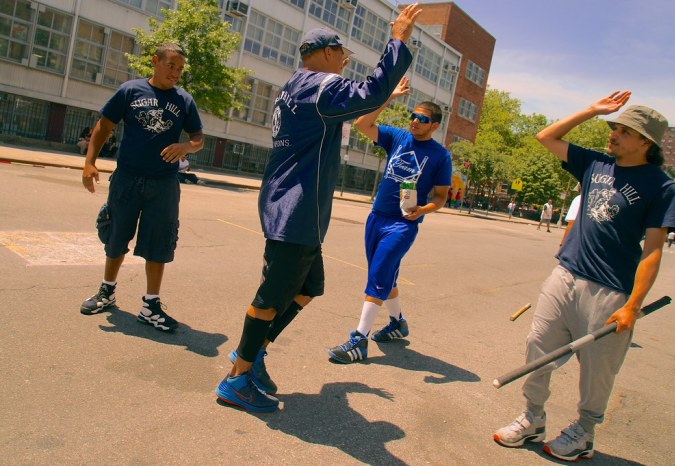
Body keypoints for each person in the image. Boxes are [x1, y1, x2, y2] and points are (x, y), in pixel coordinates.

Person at [214, 4, 423, 413]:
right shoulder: (320, 85)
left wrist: (386, 93)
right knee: (270, 297)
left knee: (309, 288)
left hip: (292, 206)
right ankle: (236, 377)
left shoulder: (299, 87)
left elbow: (360, 106)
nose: (345, 61)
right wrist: (398, 38)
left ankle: (253, 352)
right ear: (325, 52)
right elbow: (367, 92)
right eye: (342, 54)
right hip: (296, 210)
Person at [493, 91, 675, 461]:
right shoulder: (596, 164)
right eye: (614, 127)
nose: (613, 134)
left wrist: (633, 306)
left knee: (597, 370)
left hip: (610, 290)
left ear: (646, 142)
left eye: (624, 131)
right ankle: (533, 418)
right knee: (538, 347)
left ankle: (584, 432)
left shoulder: (662, 186)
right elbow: (546, 137)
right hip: (565, 274)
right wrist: (592, 111)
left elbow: (653, 250)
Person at [80, 43, 204, 332]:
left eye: (180, 69)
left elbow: (198, 137)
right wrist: (89, 162)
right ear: (155, 62)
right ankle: (107, 292)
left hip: (164, 183)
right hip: (127, 178)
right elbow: (104, 126)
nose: (175, 72)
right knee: (115, 235)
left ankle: (151, 305)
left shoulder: (184, 100)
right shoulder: (130, 91)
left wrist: (186, 146)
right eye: (171, 65)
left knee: (158, 242)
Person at [327, 86, 451, 364]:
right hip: (376, 217)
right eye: (413, 116)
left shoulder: (440, 156)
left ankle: (359, 340)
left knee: (378, 275)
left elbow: (441, 197)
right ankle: (397, 323)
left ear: (434, 125)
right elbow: (363, 124)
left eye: (421, 118)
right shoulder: (398, 137)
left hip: (402, 225)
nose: (414, 121)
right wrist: (389, 96)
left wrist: (423, 209)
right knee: (385, 276)